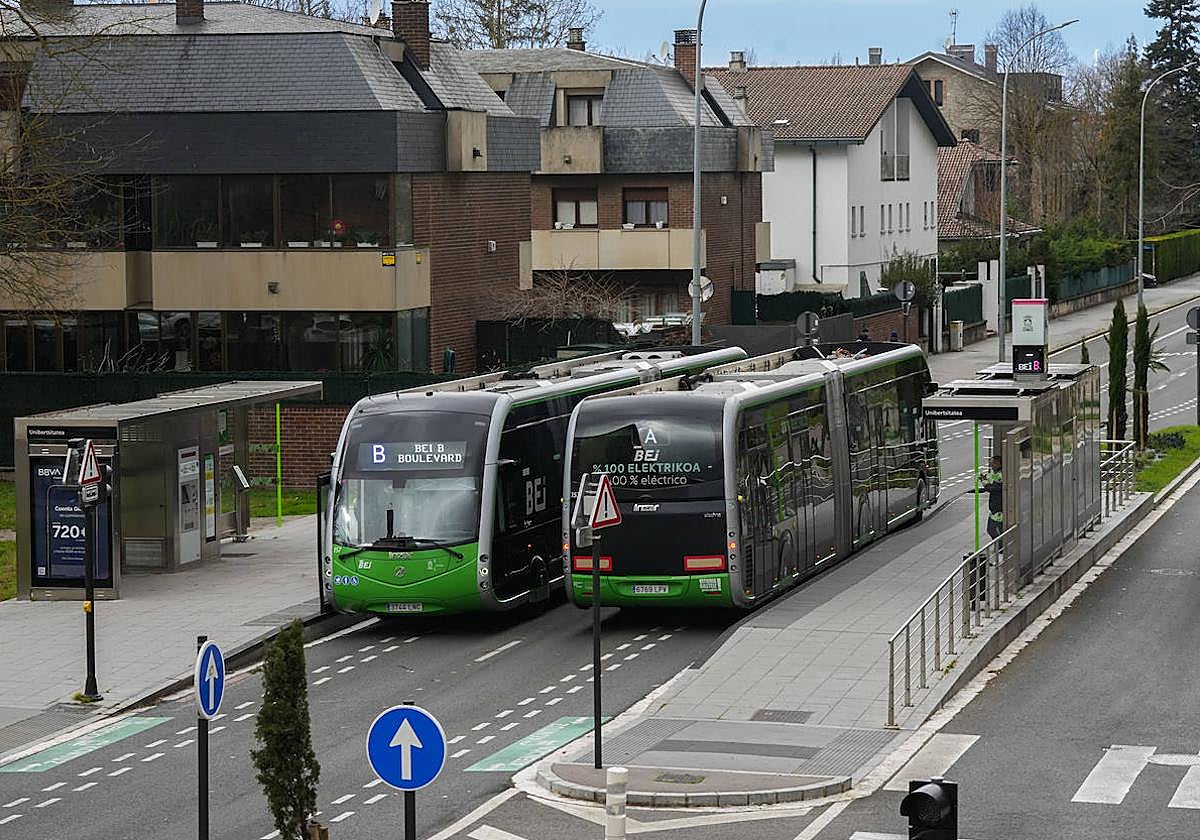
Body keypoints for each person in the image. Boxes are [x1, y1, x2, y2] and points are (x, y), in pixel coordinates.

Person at [980, 455, 1004, 540]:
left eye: (993, 463)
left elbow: (994, 488)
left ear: (999, 464)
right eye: (990, 463)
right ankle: (1000, 545)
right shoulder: (995, 474)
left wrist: (984, 482)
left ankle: (1001, 545)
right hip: (994, 508)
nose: (991, 465)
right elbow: (990, 486)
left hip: (999, 509)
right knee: (996, 530)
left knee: (992, 530)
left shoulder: (1001, 475)